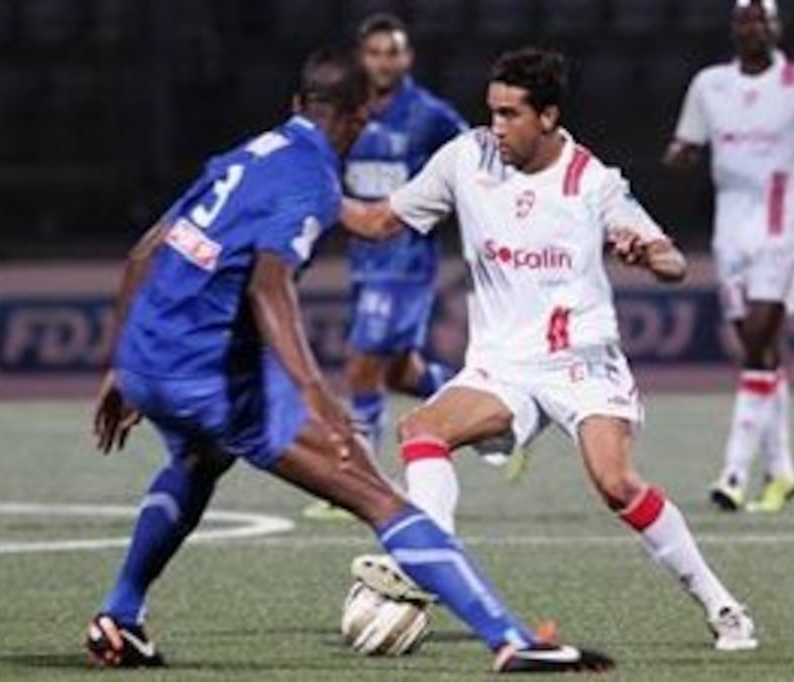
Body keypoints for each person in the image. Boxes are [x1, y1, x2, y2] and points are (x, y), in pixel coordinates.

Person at [85, 47, 613, 674]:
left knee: (200, 459)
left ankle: (120, 616)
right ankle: (511, 640)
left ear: (296, 105)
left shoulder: (247, 155)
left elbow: (145, 252)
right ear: (360, 119)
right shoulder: (312, 175)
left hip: (148, 356)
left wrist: (121, 364)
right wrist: (316, 398)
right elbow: (269, 284)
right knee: (377, 496)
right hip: (210, 373)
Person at [341, 47, 758, 652]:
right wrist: (315, 198)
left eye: (510, 114)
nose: (496, 127)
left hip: (581, 362)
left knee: (615, 484)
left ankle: (723, 607)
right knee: (421, 430)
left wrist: (648, 253)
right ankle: (431, 561)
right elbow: (382, 222)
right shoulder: (466, 158)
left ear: (548, 117)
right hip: (501, 366)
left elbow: (668, 258)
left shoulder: (592, 181)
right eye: (492, 111)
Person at [663, 0, 794, 513]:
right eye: (746, 19)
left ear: (778, 28)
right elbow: (685, 144)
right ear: (734, 30)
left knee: (757, 341)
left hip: (786, 225)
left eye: (764, 19)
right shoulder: (709, 85)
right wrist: (679, 156)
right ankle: (782, 472)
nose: (755, 27)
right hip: (730, 228)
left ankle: (733, 473)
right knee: (758, 350)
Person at [303, 13, 469, 521]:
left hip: (406, 257)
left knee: (361, 364)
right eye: (374, 53)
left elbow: (473, 162)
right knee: (399, 371)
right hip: (363, 256)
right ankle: (489, 404)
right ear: (361, 58)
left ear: (407, 58)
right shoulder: (345, 113)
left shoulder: (430, 115)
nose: (383, 62)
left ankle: (358, 477)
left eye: (392, 52)